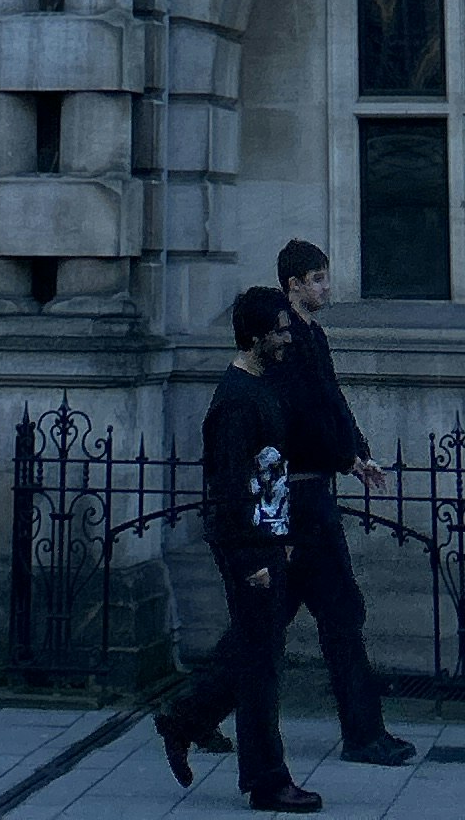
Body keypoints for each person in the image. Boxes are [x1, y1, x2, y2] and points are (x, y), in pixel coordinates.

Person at [156, 289, 315, 815]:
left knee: (255, 654)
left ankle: (184, 720)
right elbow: (227, 489)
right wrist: (252, 560)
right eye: (280, 330)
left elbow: (270, 473)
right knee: (261, 667)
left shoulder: (259, 388)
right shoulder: (235, 402)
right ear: (255, 336)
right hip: (249, 551)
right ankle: (268, 781)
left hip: (269, 543)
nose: (288, 337)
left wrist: (284, 535)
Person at [273, 241, 414, 768]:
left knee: (308, 620)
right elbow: (302, 419)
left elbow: (333, 403)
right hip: (301, 500)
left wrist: (357, 454)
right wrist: (345, 457)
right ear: (294, 286)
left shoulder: (314, 336)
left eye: (325, 277)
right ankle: (362, 734)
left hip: (315, 494)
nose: (325, 287)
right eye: (316, 279)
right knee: (338, 616)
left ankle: (192, 715)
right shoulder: (286, 340)